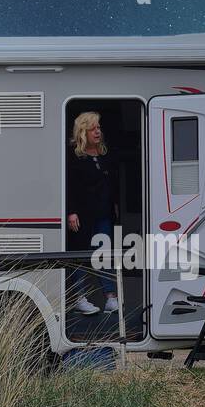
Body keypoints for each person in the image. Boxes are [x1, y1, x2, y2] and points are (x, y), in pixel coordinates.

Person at [66, 111, 119, 315]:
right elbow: (68, 186)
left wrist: (115, 204)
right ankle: (79, 297)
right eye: (93, 128)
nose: (98, 131)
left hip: (103, 214)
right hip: (82, 215)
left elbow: (111, 183)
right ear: (83, 131)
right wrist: (71, 211)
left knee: (103, 255)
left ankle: (110, 299)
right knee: (79, 256)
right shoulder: (73, 155)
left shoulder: (105, 154)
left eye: (99, 127)